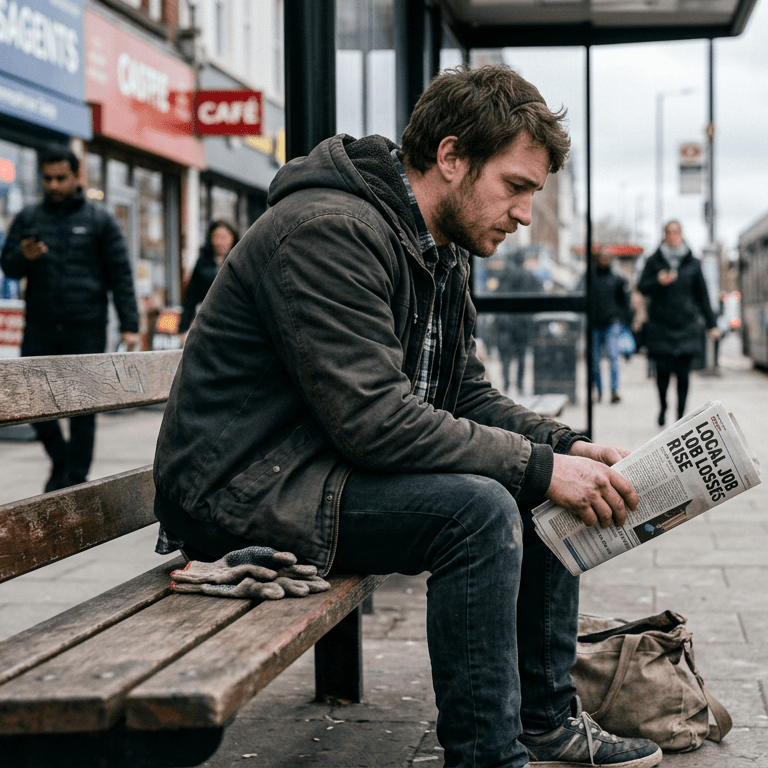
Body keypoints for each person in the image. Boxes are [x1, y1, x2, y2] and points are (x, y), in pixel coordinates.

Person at [152, 65, 662, 768]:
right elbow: (375, 419)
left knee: (533, 484)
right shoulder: (326, 231)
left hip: (321, 472)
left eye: (533, 195)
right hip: (242, 491)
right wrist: (543, 468)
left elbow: (465, 395)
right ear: (451, 158)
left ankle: (544, 717)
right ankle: (487, 755)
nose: (523, 215)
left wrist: (565, 445)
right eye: (515, 188)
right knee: (480, 508)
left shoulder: (437, 250)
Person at [0, 147, 139, 493]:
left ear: (77, 177)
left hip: (86, 327)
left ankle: (75, 480)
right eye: (47, 179)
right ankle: (60, 462)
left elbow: (119, 275)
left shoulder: (99, 220)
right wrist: (22, 257)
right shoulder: (29, 218)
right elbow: (7, 266)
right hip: (40, 327)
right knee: (34, 404)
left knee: (82, 410)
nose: (54, 185)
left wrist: (130, 324)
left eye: (61, 178)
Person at [638, 221, 717, 426]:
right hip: (661, 326)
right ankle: (663, 406)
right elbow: (642, 286)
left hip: (686, 326)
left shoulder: (693, 262)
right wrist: (658, 281)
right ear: (664, 235)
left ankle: (680, 416)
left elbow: (703, 295)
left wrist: (712, 324)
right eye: (669, 232)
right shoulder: (654, 260)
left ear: (681, 234)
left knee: (683, 374)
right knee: (662, 373)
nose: (673, 236)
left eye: (676, 232)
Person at [582, 248, 631, 403]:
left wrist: (623, 320)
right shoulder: (590, 277)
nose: (604, 260)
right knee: (595, 361)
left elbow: (624, 302)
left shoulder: (617, 279)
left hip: (611, 323)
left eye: (607, 257)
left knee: (613, 357)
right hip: (595, 324)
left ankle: (614, 391)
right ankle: (599, 390)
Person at [494, 247, 542, 396]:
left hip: (507, 323)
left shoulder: (504, 276)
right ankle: (520, 385)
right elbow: (540, 293)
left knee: (506, 356)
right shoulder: (530, 276)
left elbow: (497, 298)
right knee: (521, 355)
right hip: (523, 322)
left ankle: (507, 385)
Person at [180, 219, 238, 333]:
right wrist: (183, 327)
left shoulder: (240, 261)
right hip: (207, 319)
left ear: (233, 238)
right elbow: (191, 296)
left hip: (233, 320)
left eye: (224, 237)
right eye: (216, 236)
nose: (219, 242)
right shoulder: (202, 263)